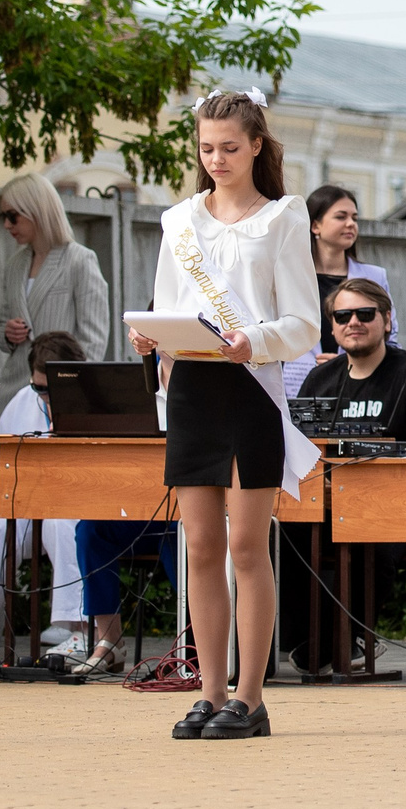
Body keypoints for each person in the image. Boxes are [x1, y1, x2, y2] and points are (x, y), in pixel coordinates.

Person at [126, 88, 320, 739]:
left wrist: (254, 340)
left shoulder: (285, 218)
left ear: (257, 145)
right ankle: (208, 692)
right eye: (207, 147)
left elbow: (303, 323)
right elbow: (166, 301)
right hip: (192, 391)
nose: (217, 158)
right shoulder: (179, 222)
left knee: (245, 544)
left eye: (230, 147)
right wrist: (148, 337)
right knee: (201, 545)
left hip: (250, 388)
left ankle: (251, 695)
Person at [287, 278, 406, 670]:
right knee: (278, 536)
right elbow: (297, 455)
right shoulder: (319, 381)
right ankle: (305, 639)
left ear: (387, 319)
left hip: (398, 511)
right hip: (325, 507)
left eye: (366, 314)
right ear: (331, 326)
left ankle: (349, 638)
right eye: (342, 315)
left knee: (366, 539)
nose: (354, 322)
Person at [0, 171, 112, 653]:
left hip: (62, 398)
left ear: (37, 211)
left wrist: (77, 399)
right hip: (16, 391)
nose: (7, 225)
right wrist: (8, 334)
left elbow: (94, 338)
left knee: (61, 510)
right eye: (3, 217)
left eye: (12, 216)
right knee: (5, 507)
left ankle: (71, 621)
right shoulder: (16, 264)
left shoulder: (81, 261)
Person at [0, 329, 81, 666]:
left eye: (50, 389)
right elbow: (2, 462)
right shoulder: (22, 400)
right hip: (32, 501)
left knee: (62, 526)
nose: (42, 395)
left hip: (76, 506)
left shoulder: (90, 400)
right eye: (38, 387)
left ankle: (77, 628)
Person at [283, 185, 394, 396]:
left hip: (358, 385)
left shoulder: (374, 277)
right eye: (341, 217)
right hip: (296, 387)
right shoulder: (289, 276)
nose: (351, 224)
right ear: (315, 226)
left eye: (355, 218)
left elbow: (391, 337)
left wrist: (348, 360)